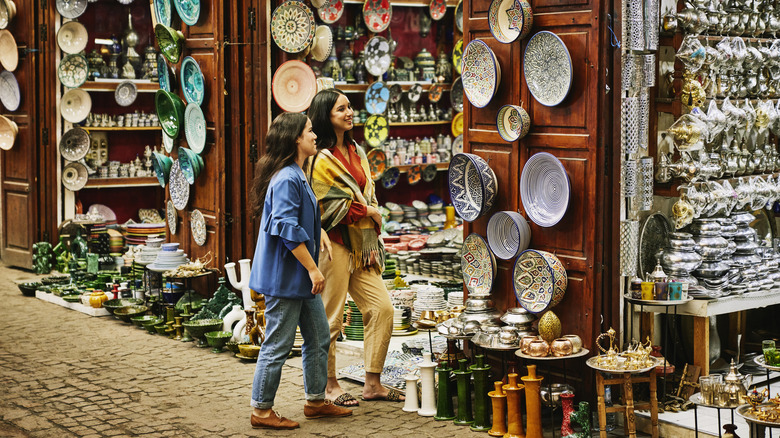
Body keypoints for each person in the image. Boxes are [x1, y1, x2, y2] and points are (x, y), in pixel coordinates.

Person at [247, 112, 352, 429]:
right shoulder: (288, 177)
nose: (314, 135)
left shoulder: (295, 172)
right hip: (287, 278)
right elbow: (286, 229)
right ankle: (262, 411)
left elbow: (299, 218)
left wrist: (318, 231)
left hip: (299, 278)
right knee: (277, 344)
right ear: (295, 138)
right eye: (308, 131)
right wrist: (314, 270)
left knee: (319, 336)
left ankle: (316, 401)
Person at [307, 89, 404, 406]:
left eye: (349, 107)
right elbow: (327, 205)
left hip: (362, 246)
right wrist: (368, 212)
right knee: (330, 319)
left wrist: (370, 212)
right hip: (333, 245)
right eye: (341, 109)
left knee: (382, 308)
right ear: (326, 116)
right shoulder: (320, 158)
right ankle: (330, 385)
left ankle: (372, 383)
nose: (350, 113)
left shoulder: (356, 151)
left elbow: (366, 194)